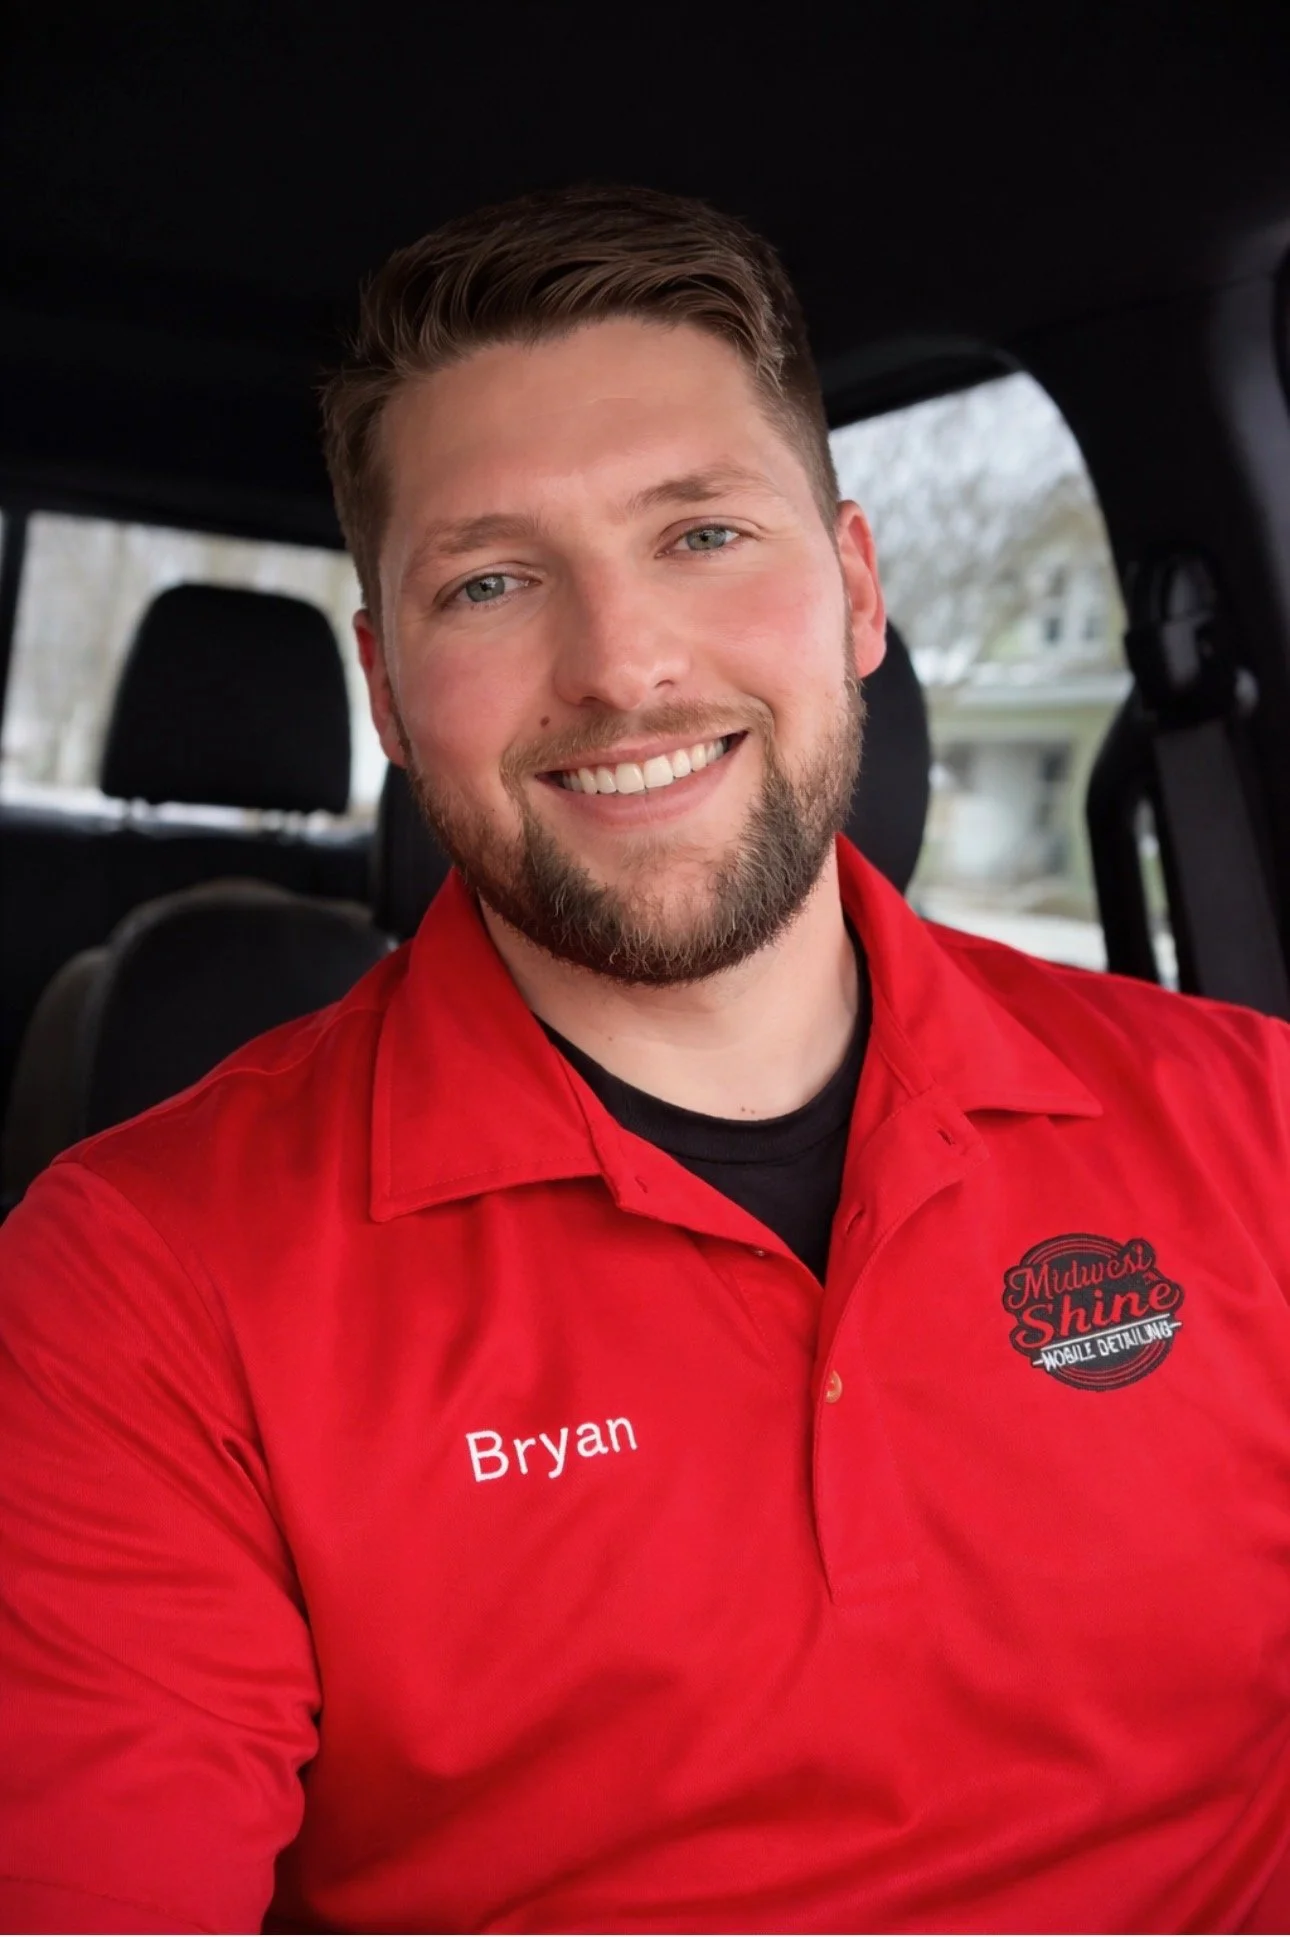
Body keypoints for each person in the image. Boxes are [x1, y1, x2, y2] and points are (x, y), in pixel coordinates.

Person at [2, 184, 1290, 1937]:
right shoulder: (140, 1285)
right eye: (491, 581)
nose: (621, 667)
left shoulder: (1249, 1118)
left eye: (701, 535)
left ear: (854, 591)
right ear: (389, 691)